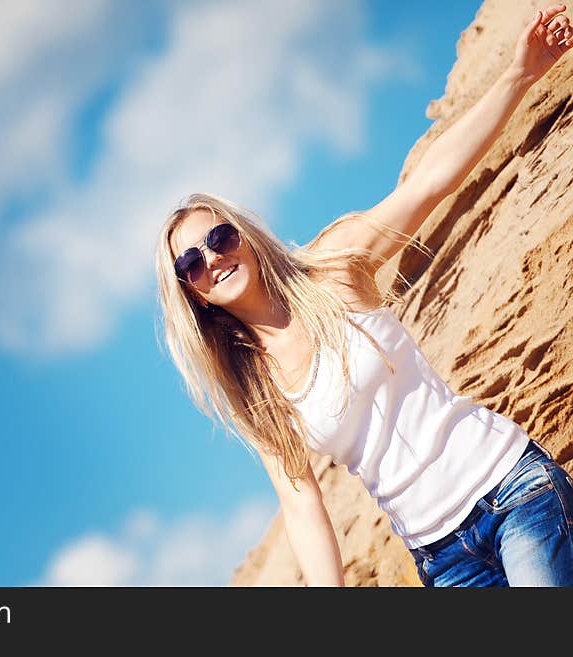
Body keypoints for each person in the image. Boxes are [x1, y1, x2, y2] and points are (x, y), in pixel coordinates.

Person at [154, 6, 573, 587]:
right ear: (191, 294)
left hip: (509, 488)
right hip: (444, 560)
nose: (213, 259)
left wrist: (520, 73)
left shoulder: (332, 269)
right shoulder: (257, 393)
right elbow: (303, 509)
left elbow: (427, 183)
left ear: (244, 239)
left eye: (219, 238)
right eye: (191, 262)